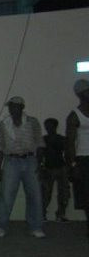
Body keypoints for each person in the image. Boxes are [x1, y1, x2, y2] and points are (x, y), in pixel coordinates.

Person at [0, 96, 45, 238]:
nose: (12, 109)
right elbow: (0, 147)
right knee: (6, 195)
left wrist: (40, 164)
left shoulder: (32, 122)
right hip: (11, 161)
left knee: (35, 194)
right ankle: (1, 226)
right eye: (10, 106)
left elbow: (40, 144)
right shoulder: (3, 124)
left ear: (22, 107)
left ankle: (36, 226)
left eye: (15, 106)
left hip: (30, 160)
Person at [65, 79, 89, 241]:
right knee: (87, 196)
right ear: (80, 94)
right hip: (84, 158)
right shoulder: (75, 115)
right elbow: (70, 143)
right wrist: (73, 165)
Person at [40, 118, 70, 223]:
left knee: (64, 193)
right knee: (45, 193)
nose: (48, 128)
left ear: (55, 126)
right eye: (46, 126)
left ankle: (61, 214)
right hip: (48, 168)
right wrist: (40, 167)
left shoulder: (62, 139)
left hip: (61, 167)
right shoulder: (43, 139)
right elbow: (40, 154)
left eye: (50, 126)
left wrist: (69, 167)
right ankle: (42, 214)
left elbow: (67, 153)